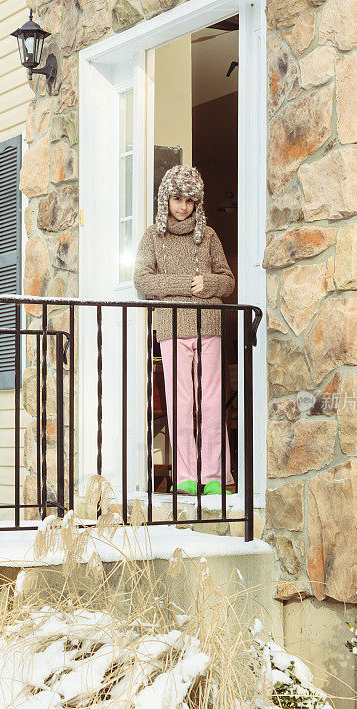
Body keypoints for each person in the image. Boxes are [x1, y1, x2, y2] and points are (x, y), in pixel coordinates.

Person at [133, 165, 235, 497]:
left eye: (190, 200)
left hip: (209, 327)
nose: (183, 206)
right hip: (172, 328)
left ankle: (214, 475)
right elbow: (142, 280)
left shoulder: (209, 237)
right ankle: (187, 474)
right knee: (181, 403)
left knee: (210, 402)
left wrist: (207, 284)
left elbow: (228, 282)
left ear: (197, 202)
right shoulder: (152, 236)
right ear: (166, 199)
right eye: (177, 198)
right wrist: (185, 286)